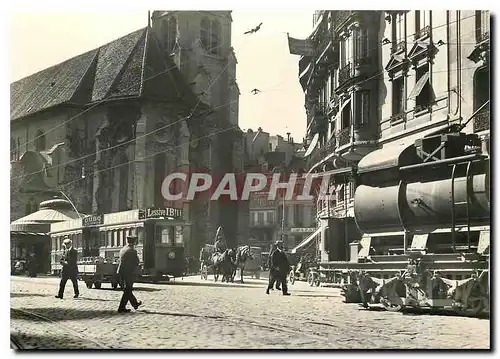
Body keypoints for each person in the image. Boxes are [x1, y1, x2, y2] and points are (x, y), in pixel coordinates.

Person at [117, 235, 142, 313]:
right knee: (127, 290)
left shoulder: (123, 249)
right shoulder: (132, 251)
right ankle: (121, 308)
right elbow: (136, 262)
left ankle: (135, 304)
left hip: (121, 271)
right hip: (129, 272)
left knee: (127, 290)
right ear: (134, 242)